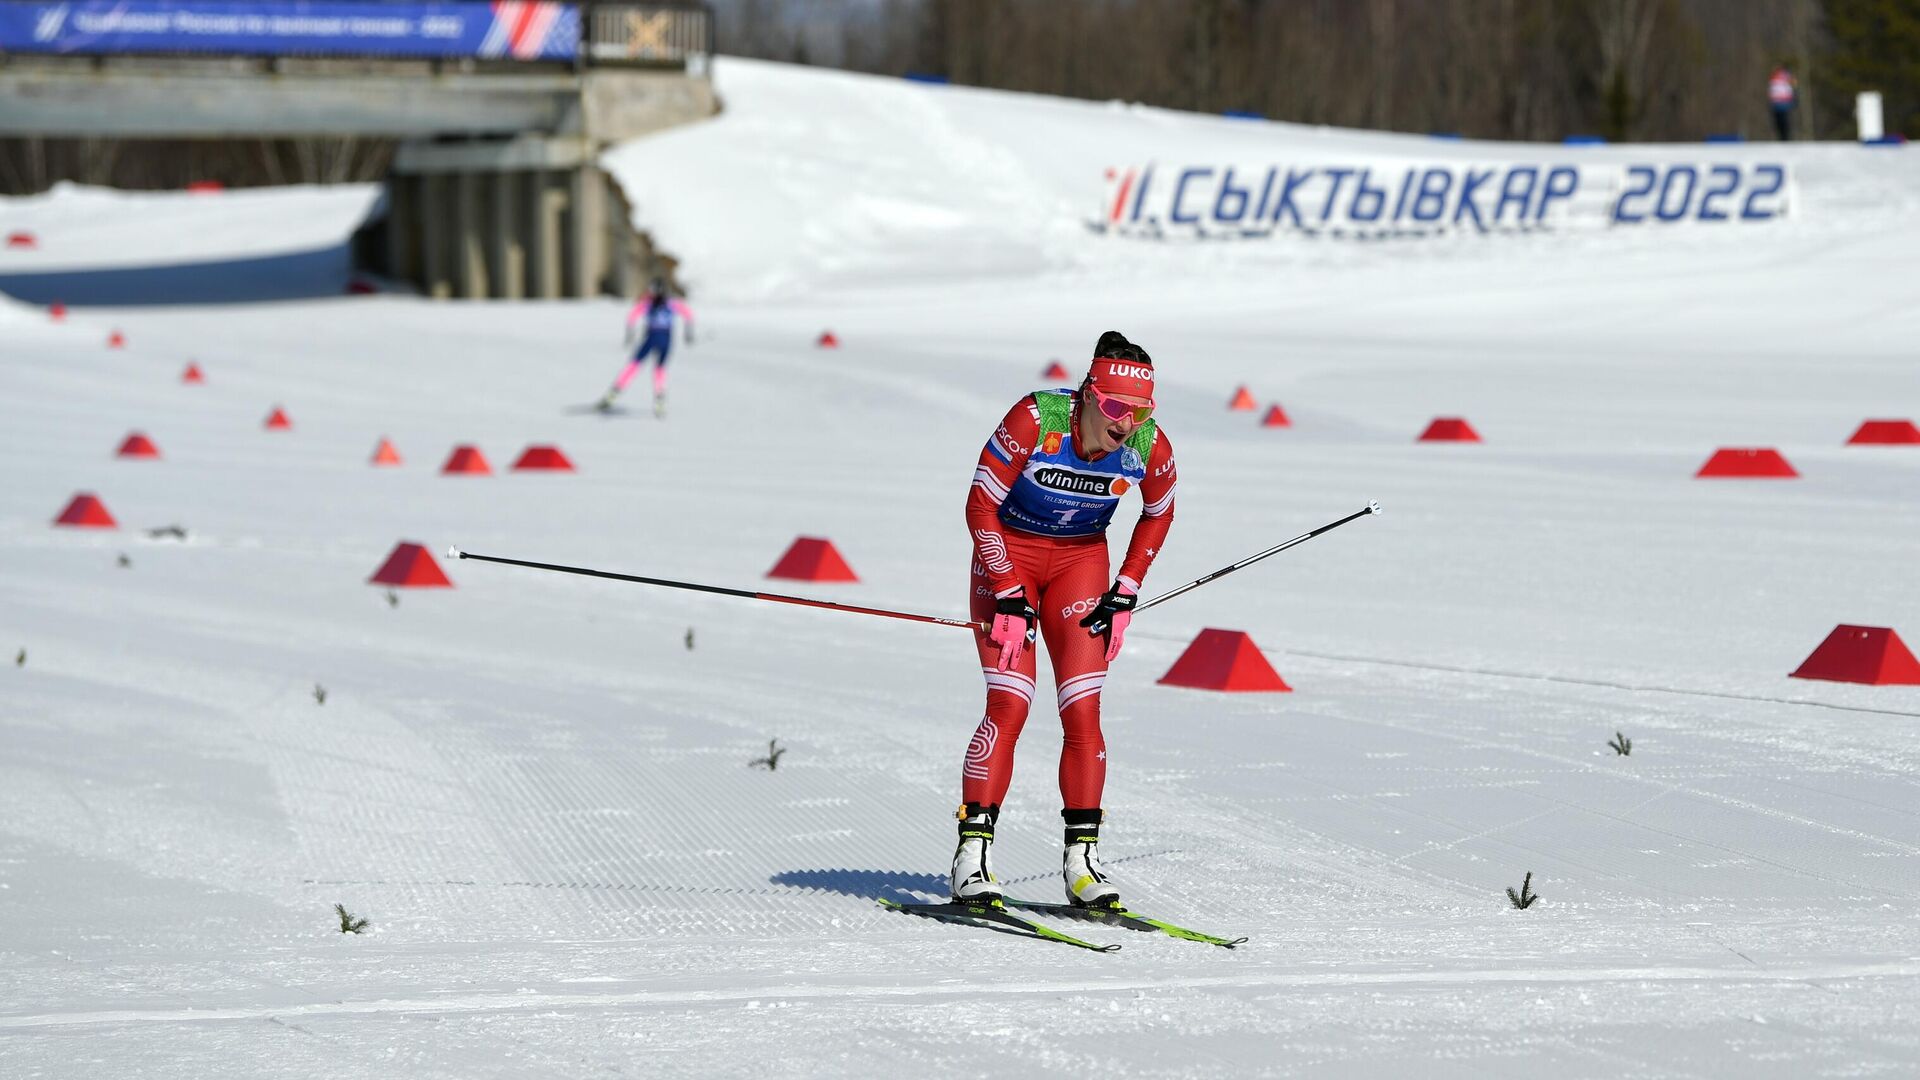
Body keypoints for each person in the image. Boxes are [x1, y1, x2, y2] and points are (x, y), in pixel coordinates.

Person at [949, 330, 1177, 910]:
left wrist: (1125, 590)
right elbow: (980, 503)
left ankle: (1083, 863)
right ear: (1087, 395)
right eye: (1115, 407)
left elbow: (1160, 510)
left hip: (1080, 563)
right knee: (1010, 702)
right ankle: (971, 857)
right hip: (1010, 556)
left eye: (1140, 409)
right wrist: (1004, 590)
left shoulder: (1148, 445)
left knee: (1082, 709)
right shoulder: (1035, 417)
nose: (1126, 423)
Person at [598, 278, 695, 417]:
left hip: (651, 338)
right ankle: (660, 401)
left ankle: (613, 394)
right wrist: (688, 333)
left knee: (634, 366)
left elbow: (632, 316)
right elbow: (689, 315)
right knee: (659, 370)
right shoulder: (672, 303)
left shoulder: (648, 303)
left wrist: (629, 334)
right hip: (666, 339)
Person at [1768, 63, 1798, 141]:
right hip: (1777, 103)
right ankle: (1782, 138)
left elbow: (1793, 87)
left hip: (1784, 102)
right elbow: (1772, 90)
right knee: (1778, 122)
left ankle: (1785, 138)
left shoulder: (1787, 76)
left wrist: (1794, 98)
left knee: (1784, 121)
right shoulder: (1773, 76)